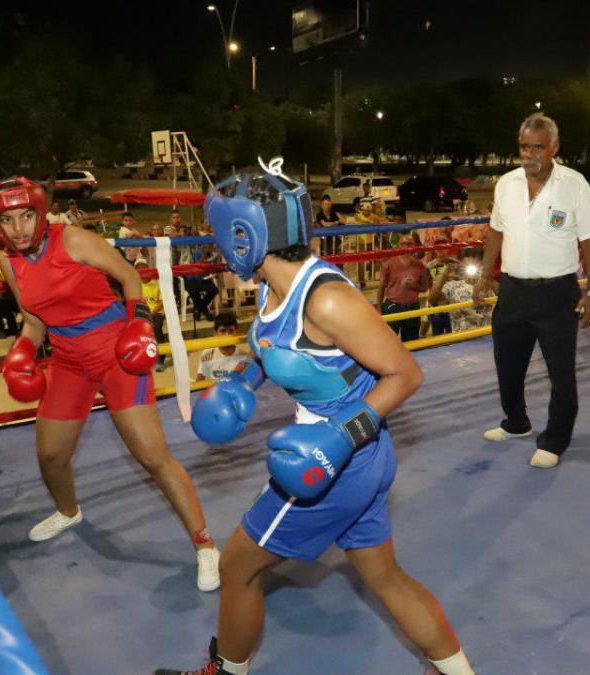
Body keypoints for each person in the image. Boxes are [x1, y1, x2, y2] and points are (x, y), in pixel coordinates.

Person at [161, 160, 474, 675]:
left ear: (243, 237)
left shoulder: (327, 301)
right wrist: (245, 381)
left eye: (218, 235)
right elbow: (272, 351)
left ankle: (226, 671)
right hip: (353, 456)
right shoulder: (270, 286)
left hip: (340, 461)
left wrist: (340, 436)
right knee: (384, 575)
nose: (215, 247)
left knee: (238, 566)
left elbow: (405, 374)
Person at [0, 177, 219, 591]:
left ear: (40, 214)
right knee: (51, 455)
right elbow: (35, 320)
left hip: (115, 352)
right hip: (68, 361)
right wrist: (21, 349)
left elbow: (130, 279)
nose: (18, 228)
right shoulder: (8, 263)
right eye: (8, 220)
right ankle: (68, 510)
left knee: (152, 456)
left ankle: (205, 545)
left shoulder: (73, 239)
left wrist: (141, 323)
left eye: (26, 216)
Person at [473, 113, 590, 470]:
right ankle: (516, 423)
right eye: (524, 147)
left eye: (538, 147)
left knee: (560, 372)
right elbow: (496, 230)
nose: (529, 154)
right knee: (507, 365)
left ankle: (556, 438)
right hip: (513, 291)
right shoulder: (506, 183)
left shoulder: (574, 184)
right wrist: (486, 273)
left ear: (554, 148)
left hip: (557, 293)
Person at [377, 232, 431, 342]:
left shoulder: (420, 266)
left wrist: (414, 286)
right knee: (389, 342)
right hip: (392, 306)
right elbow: (381, 287)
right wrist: (378, 310)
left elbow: (425, 288)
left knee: (411, 342)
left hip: (412, 307)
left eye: (409, 244)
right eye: (403, 243)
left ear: (414, 246)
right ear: (399, 245)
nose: (406, 246)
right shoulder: (388, 264)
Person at [431, 247, 491, 333]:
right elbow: (432, 300)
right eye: (467, 263)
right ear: (462, 265)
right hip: (461, 339)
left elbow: (503, 297)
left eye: (475, 263)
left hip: (486, 334)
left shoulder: (487, 283)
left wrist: (486, 276)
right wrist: (444, 274)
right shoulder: (453, 285)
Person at [194, 312, 251, 382]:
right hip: (214, 391)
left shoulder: (243, 356)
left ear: (236, 332)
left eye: (231, 331)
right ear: (215, 333)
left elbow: (247, 382)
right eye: (222, 331)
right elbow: (199, 380)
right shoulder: (207, 354)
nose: (227, 335)